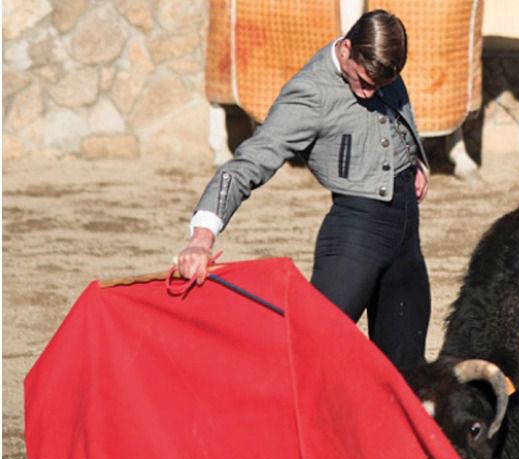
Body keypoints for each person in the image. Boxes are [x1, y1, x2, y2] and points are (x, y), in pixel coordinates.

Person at [176, 9, 431, 371]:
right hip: (357, 235)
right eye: (362, 81)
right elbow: (252, 159)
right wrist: (201, 237)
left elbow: (398, 112)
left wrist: (414, 161)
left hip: (407, 232)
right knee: (308, 357)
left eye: (380, 85)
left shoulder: (378, 67)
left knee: (407, 373)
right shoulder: (310, 94)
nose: (369, 92)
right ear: (345, 49)